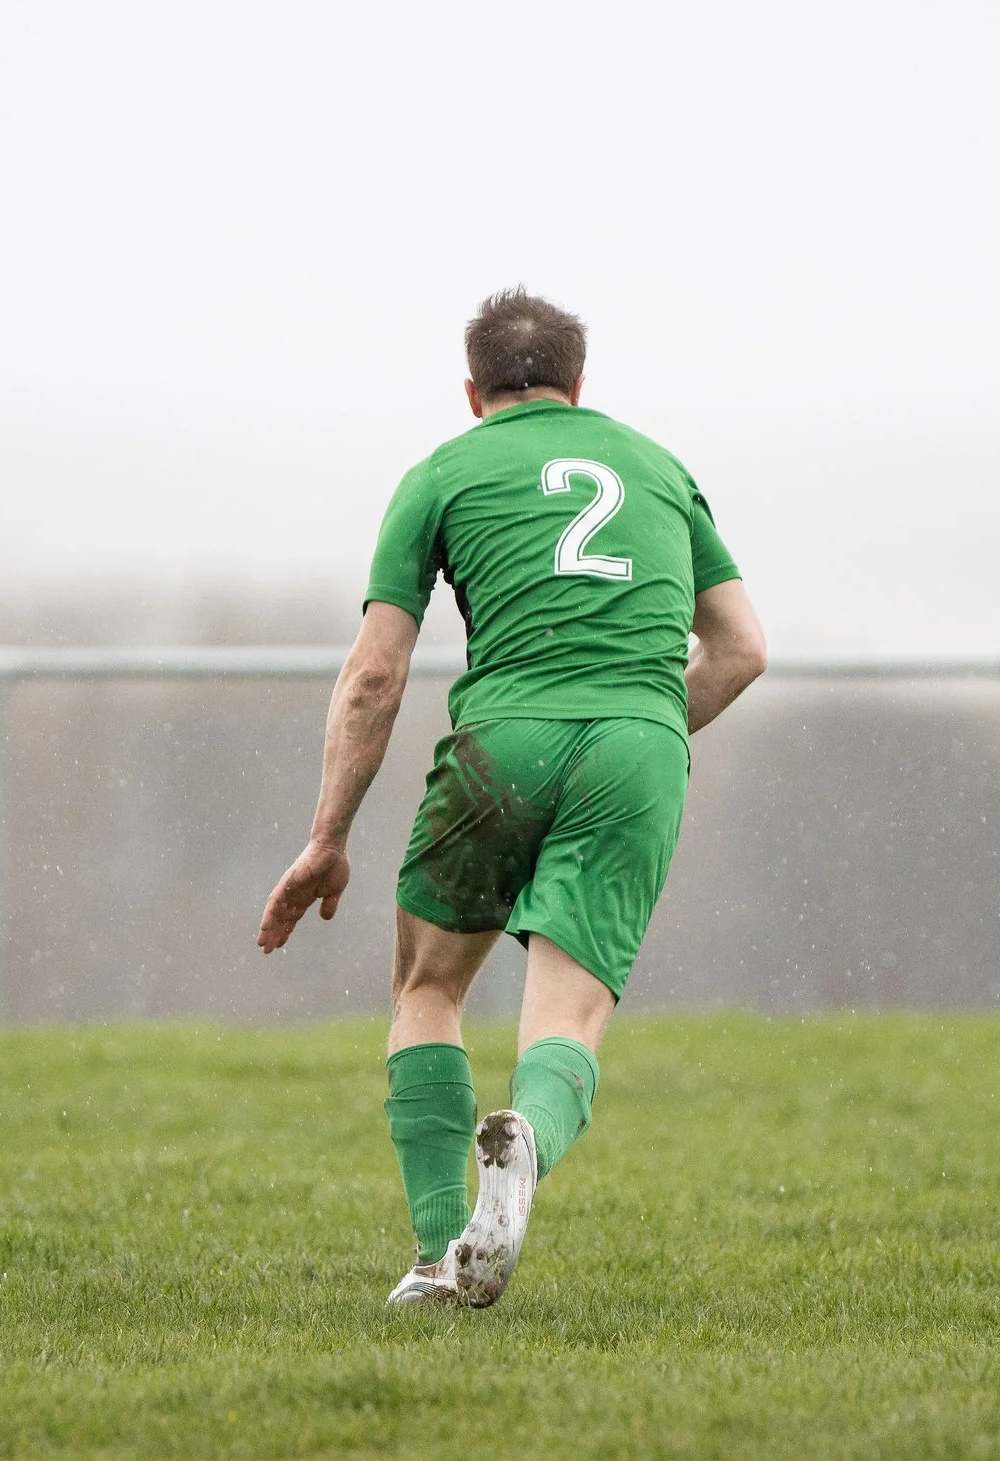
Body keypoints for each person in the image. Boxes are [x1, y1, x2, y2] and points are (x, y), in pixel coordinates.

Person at [255, 288, 768, 1309]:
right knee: (566, 1015)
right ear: (580, 386)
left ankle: (441, 1249)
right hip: (636, 740)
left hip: (504, 742)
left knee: (428, 990)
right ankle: (525, 1138)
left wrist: (328, 836)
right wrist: (646, 732)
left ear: (471, 391)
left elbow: (375, 674)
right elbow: (743, 649)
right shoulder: (658, 467)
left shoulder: (442, 472)